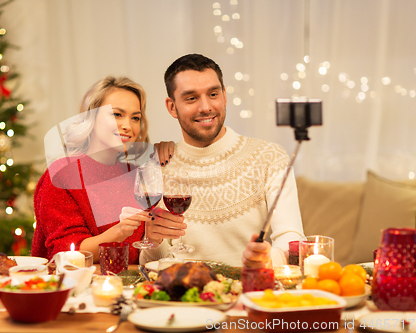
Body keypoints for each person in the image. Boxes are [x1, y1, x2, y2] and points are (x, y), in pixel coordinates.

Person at [142, 54, 305, 268]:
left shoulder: (270, 157)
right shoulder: (157, 165)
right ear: (172, 107)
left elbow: (293, 239)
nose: (206, 107)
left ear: (225, 96)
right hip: (182, 295)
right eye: (191, 98)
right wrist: (152, 242)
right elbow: (153, 264)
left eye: (213, 94)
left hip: (250, 289)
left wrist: (270, 258)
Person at [32, 76, 156, 263]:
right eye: (117, 114)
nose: (127, 126)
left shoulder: (138, 175)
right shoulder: (62, 175)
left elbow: (147, 251)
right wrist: (119, 232)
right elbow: (67, 254)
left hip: (133, 288)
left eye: (135, 118)